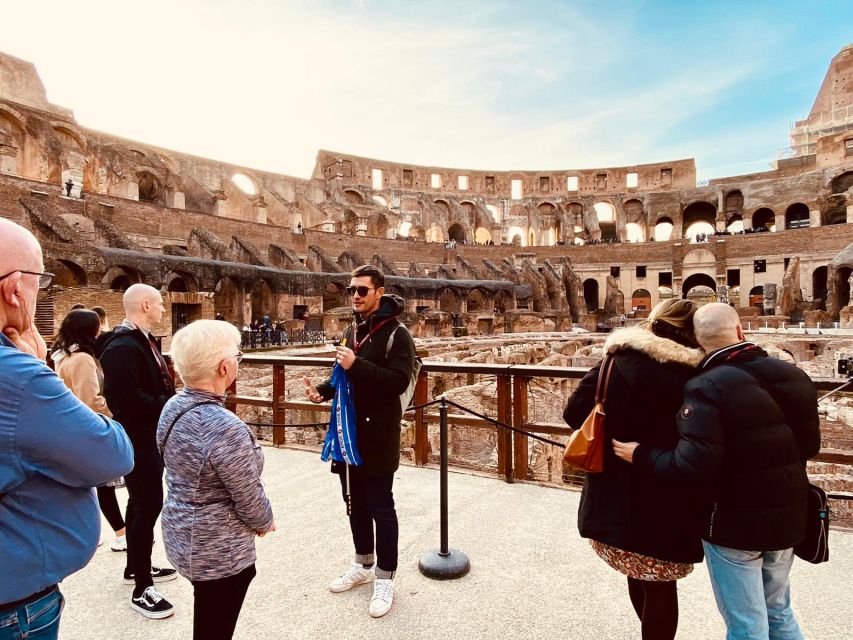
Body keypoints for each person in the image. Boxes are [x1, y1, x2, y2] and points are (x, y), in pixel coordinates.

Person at [613, 303, 821, 639]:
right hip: (790, 513)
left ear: (697, 340)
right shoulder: (794, 375)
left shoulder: (705, 387)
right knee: (779, 610)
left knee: (746, 622)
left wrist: (641, 455)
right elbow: (809, 447)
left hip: (734, 523)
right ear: (741, 331)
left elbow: (691, 465)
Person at [0, 218, 133, 639]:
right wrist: (40, 370)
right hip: (15, 605)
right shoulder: (16, 377)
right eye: (40, 279)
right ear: (15, 289)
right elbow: (112, 456)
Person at [563, 299, 705, 640]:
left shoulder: (617, 360)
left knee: (638, 571)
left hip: (616, 491)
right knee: (660, 584)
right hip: (669, 491)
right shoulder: (702, 373)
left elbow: (573, 414)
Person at [303, 265, 416, 618]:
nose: (355, 295)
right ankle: (363, 564)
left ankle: (385, 577)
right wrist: (322, 392)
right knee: (355, 503)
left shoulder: (398, 335)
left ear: (379, 293)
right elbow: (342, 376)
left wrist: (355, 365)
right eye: (352, 289)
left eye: (362, 290)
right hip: (346, 434)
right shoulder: (352, 330)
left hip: (379, 434)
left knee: (382, 507)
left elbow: (396, 381)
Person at [158, 320, 275, 640]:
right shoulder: (223, 426)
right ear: (225, 367)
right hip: (217, 549)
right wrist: (265, 520)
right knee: (215, 626)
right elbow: (247, 493)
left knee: (209, 615)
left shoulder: (172, 406)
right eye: (238, 356)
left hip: (182, 530)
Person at [100, 283, 178, 618]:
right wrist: (171, 403)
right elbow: (125, 401)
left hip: (148, 438)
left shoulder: (139, 340)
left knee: (141, 503)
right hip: (137, 439)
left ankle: (136, 565)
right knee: (148, 504)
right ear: (145, 304)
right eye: (160, 304)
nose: (163, 309)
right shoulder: (121, 347)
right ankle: (142, 587)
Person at [52, 308, 127, 552]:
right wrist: (116, 415)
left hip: (72, 427)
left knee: (92, 485)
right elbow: (91, 400)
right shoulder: (83, 359)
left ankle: (104, 533)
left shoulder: (63, 356)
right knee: (104, 484)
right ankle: (121, 533)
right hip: (90, 427)